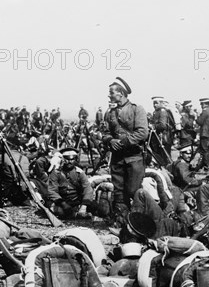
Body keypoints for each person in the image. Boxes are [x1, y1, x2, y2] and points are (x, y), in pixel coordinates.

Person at [102, 77, 149, 219]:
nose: (109, 95)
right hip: (117, 158)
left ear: (121, 93)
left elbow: (142, 132)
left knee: (133, 190)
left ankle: (136, 220)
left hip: (133, 157)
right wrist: (110, 140)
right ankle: (120, 219)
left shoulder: (137, 109)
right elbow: (104, 133)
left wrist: (121, 142)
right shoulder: (110, 113)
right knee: (118, 191)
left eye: (111, 92)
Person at [47, 147, 95, 219]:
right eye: (67, 159)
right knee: (59, 212)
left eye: (72, 159)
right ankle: (77, 215)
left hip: (77, 200)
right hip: (62, 200)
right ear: (62, 159)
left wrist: (84, 205)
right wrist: (63, 204)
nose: (69, 161)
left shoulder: (79, 172)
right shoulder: (56, 173)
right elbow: (52, 191)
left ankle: (77, 214)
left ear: (75, 160)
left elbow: (87, 189)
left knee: (96, 207)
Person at [195, 98, 209, 172]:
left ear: (204, 104)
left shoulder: (205, 111)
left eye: (201, 104)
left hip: (205, 134)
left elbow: (200, 122)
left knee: (204, 151)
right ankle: (205, 166)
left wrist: (197, 116)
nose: (201, 106)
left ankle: (206, 167)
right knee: (208, 151)